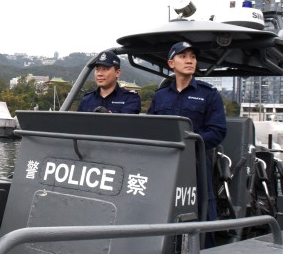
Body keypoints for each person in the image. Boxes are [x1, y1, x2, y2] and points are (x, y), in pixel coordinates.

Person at [147, 42, 227, 224]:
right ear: (171, 64)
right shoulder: (160, 96)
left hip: (196, 163)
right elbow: (150, 126)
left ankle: (206, 250)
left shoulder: (209, 94)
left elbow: (218, 131)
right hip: (163, 162)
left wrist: (189, 144)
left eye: (192, 57)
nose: (189, 61)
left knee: (202, 209)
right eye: (183, 57)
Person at [77, 50, 141, 113]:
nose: (99, 74)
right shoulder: (86, 100)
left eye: (105, 69)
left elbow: (126, 122)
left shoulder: (130, 98)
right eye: (97, 69)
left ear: (117, 73)